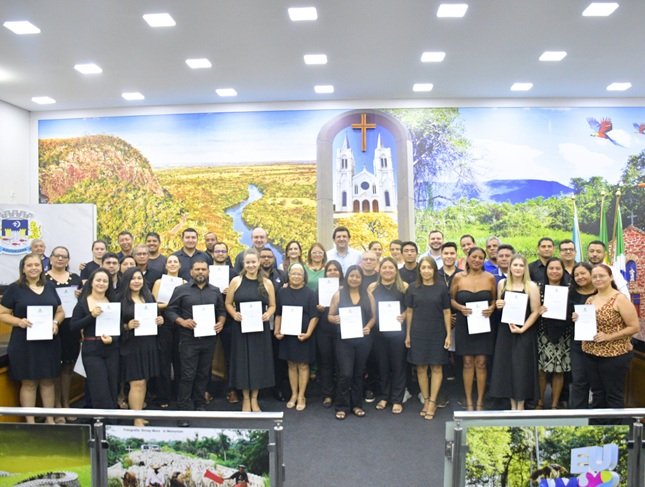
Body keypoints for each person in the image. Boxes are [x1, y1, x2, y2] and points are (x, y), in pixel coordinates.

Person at [0, 253, 65, 423]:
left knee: (48, 381)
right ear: (23, 269)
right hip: (24, 343)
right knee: (29, 383)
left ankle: (50, 420)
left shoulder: (50, 287)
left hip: (48, 343)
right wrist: (18, 321)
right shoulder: (14, 289)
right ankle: (31, 423)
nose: (33, 268)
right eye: (29, 265)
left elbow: (60, 311)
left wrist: (55, 322)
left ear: (42, 267)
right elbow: (2, 313)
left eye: (36, 265)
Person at [166, 260, 225, 421]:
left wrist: (221, 322)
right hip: (188, 339)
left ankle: (199, 403)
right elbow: (170, 311)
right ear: (191, 272)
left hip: (209, 339)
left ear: (208, 272)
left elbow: (221, 311)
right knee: (187, 374)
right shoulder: (181, 290)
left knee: (203, 373)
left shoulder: (215, 290)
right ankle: (183, 409)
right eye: (197, 269)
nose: (200, 272)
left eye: (203, 269)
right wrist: (182, 321)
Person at [580, 264, 639, 412]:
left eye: (601, 276)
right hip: (590, 354)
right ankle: (598, 424)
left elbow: (634, 327)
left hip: (614, 356)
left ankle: (614, 426)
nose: (598, 279)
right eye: (594, 276)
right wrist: (578, 318)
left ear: (611, 277)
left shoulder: (620, 299)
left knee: (613, 396)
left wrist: (609, 337)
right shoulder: (590, 299)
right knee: (597, 394)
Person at [225, 249, 277, 412]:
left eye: (254, 262)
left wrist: (268, 314)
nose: (251, 265)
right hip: (240, 329)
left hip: (260, 330)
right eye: (248, 262)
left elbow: (273, 305)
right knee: (242, 363)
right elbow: (228, 303)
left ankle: (254, 399)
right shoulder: (236, 281)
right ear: (243, 264)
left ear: (259, 262)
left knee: (257, 364)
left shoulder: (267, 283)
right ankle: (245, 399)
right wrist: (234, 314)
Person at [490, 255, 541, 410]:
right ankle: (512, 405)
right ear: (510, 267)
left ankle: (521, 405)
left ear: (525, 268)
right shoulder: (502, 284)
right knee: (507, 367)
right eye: (515, 265)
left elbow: (536, 311)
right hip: (505, 332)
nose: (518, 268)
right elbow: (499, 306)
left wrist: (523, 328)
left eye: (521, 265)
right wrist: (498, 304)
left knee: (521, 368)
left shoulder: (531, 286)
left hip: (524, 332)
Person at [450, 247, 496, 410]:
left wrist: (492, 308)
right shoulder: (458, 278)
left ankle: (480, 401)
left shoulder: (490, 278)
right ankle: (469, 401)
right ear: (467, 258)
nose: (477, 260)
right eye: (474, 257)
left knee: (481, 363)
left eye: (480, 258)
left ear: (484, 260)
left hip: (483, 324)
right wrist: (460, 308)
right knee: (468, 362)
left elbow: (495, 300)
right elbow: (451, 300)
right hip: (464, 324)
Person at [405, 256, 451, 419]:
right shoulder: (412, 288)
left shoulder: (442, 288)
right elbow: (409, 311)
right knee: (421, 368)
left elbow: (447, 312)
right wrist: (408, 334)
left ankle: (432, 401)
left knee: (437, 367)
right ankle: (425, 399)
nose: (426, 271)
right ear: (419, 270)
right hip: (418, 332)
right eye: (423, 268)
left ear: (434, 270)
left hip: (437, 332)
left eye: (429, 268)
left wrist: (448, 335)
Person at [328, 265, 376, 420]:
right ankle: (341, 406)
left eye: (357, 276)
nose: (354, 279)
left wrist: (368, 327)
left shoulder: (368, 295)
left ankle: (357, 405)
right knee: (345, 373)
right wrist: (334, 319)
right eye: (351, 276)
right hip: (344, 340)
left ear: (361, 279)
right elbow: (330, 315)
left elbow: (373, 317)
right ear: (347, 277)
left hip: (363, 340)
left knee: (358, 372)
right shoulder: (338, 294)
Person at [119, 267, 163, 426]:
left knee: (143, 382)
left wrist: (160, 320)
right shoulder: (119, 299)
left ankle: (138, 414)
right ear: (127, 281)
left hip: (148, 344)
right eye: (133, 278)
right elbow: (112, 325)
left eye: (139, 278)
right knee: (136, 382)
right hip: (130, 346)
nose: (136, 281)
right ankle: (137, 420)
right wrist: (126, 326)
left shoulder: (148, 297)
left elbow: (156, 316)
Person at [70, 268, 119, 410]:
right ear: (91, 282)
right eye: (98, 280)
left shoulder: (113, 301)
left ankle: (112, 419)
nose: (101, 283)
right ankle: (101, 419)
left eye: (105, 281)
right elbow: (73, 326)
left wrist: (113, 339)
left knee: (112, 386)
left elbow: (119, 327)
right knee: (99, 388)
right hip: (91, 350)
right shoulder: (82, 303)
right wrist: (91, 316)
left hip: (111, 349)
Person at [274, 263, 319, 411]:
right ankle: (293, 394)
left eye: (299, 274)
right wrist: (277, 330)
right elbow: (278, 313)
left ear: (303, 276)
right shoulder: (282, 292)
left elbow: (314, 316)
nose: (296, 276)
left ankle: (301, 396)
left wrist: (308, 333)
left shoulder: (310, 293)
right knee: (291, 365)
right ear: (289, 275)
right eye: (293, 273)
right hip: (288, 335)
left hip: (303, 335)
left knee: (303, 365)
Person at [45, 245, 82, 421]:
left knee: (68, 366)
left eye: (64, 256)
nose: (60, 259)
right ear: (51, 258)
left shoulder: (75, 278)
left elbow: (84, 302)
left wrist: (80, 295)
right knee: (53, 368)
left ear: (68, 260)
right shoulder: (43, 279)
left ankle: (66, 404)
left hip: (71, 327)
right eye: (57, 256)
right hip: (51, 327)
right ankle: (57, 407)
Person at [368, 257, 408, 414]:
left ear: (396, 270)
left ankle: (397, 399)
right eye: (384, 267)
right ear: (379, 270)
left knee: (398, 365)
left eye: (391, 267)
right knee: (382, 365)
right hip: (378, 332)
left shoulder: (404, 287)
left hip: (398, 332)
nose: (387, 270)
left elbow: (410, 307)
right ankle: (384, 396)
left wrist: (404, 315)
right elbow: (369, 309)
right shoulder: (372, 287)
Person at [151, 254, 186, 409]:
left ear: (180, 265)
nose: (172, 264)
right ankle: (163, 396)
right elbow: (153, 304)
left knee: (179, 361)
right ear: (165, 266)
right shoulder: (159, 282)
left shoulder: (184, 283)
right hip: (163, 323)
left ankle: (179, 395)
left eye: (175, 262)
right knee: (163, 361)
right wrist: (169, 305)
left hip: (179, 324)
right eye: (169, 262)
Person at [536, 257, 571, 409]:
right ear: (546, 270)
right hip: (542, 333)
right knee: (542, 370)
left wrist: (573, 315)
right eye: (551, 268)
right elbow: (530, 310)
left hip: (564, 335)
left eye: (558, 268)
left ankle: (555, 404)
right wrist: (538, 310)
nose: (554, 271)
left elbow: (575, 309)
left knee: (559, 370)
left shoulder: (570, 289)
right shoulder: (538, 289)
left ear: (563, 271)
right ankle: (540, 402)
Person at [210, 241, 240, 404]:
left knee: (230, 355)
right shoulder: (205, 271)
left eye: (223, 251)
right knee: (207, 356)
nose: (220, 254)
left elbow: (242, 296)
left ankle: (231, 389)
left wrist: (232, 292)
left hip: (229, 319)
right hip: (208, 317)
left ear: (227, 254)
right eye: (217, 251)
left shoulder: (234, 274)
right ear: (212, 253)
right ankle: (207, 390)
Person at [567, 262, 596, 409]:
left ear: (591, 273)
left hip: (600, 342)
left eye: (583, 273)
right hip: (578, 342)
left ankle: (600, 417)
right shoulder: (571, 293)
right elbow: (564, 317)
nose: (580, 277)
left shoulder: (601, 291)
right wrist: (571, 317)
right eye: (576, 275)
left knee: (598, 382)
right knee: (579, 380)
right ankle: (578, 414)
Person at [316, 260, 344, 408]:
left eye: (335, 269)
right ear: (325, 272)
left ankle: (341, 393)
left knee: (341, 362)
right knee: (326, 362)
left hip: (342, 329)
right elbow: (314, 307)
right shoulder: (320, 288)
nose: (332, 272)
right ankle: (327, 394)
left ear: (340, 272)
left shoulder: (347, 287)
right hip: (324, 329)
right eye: (330, 270)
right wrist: (318, 307)